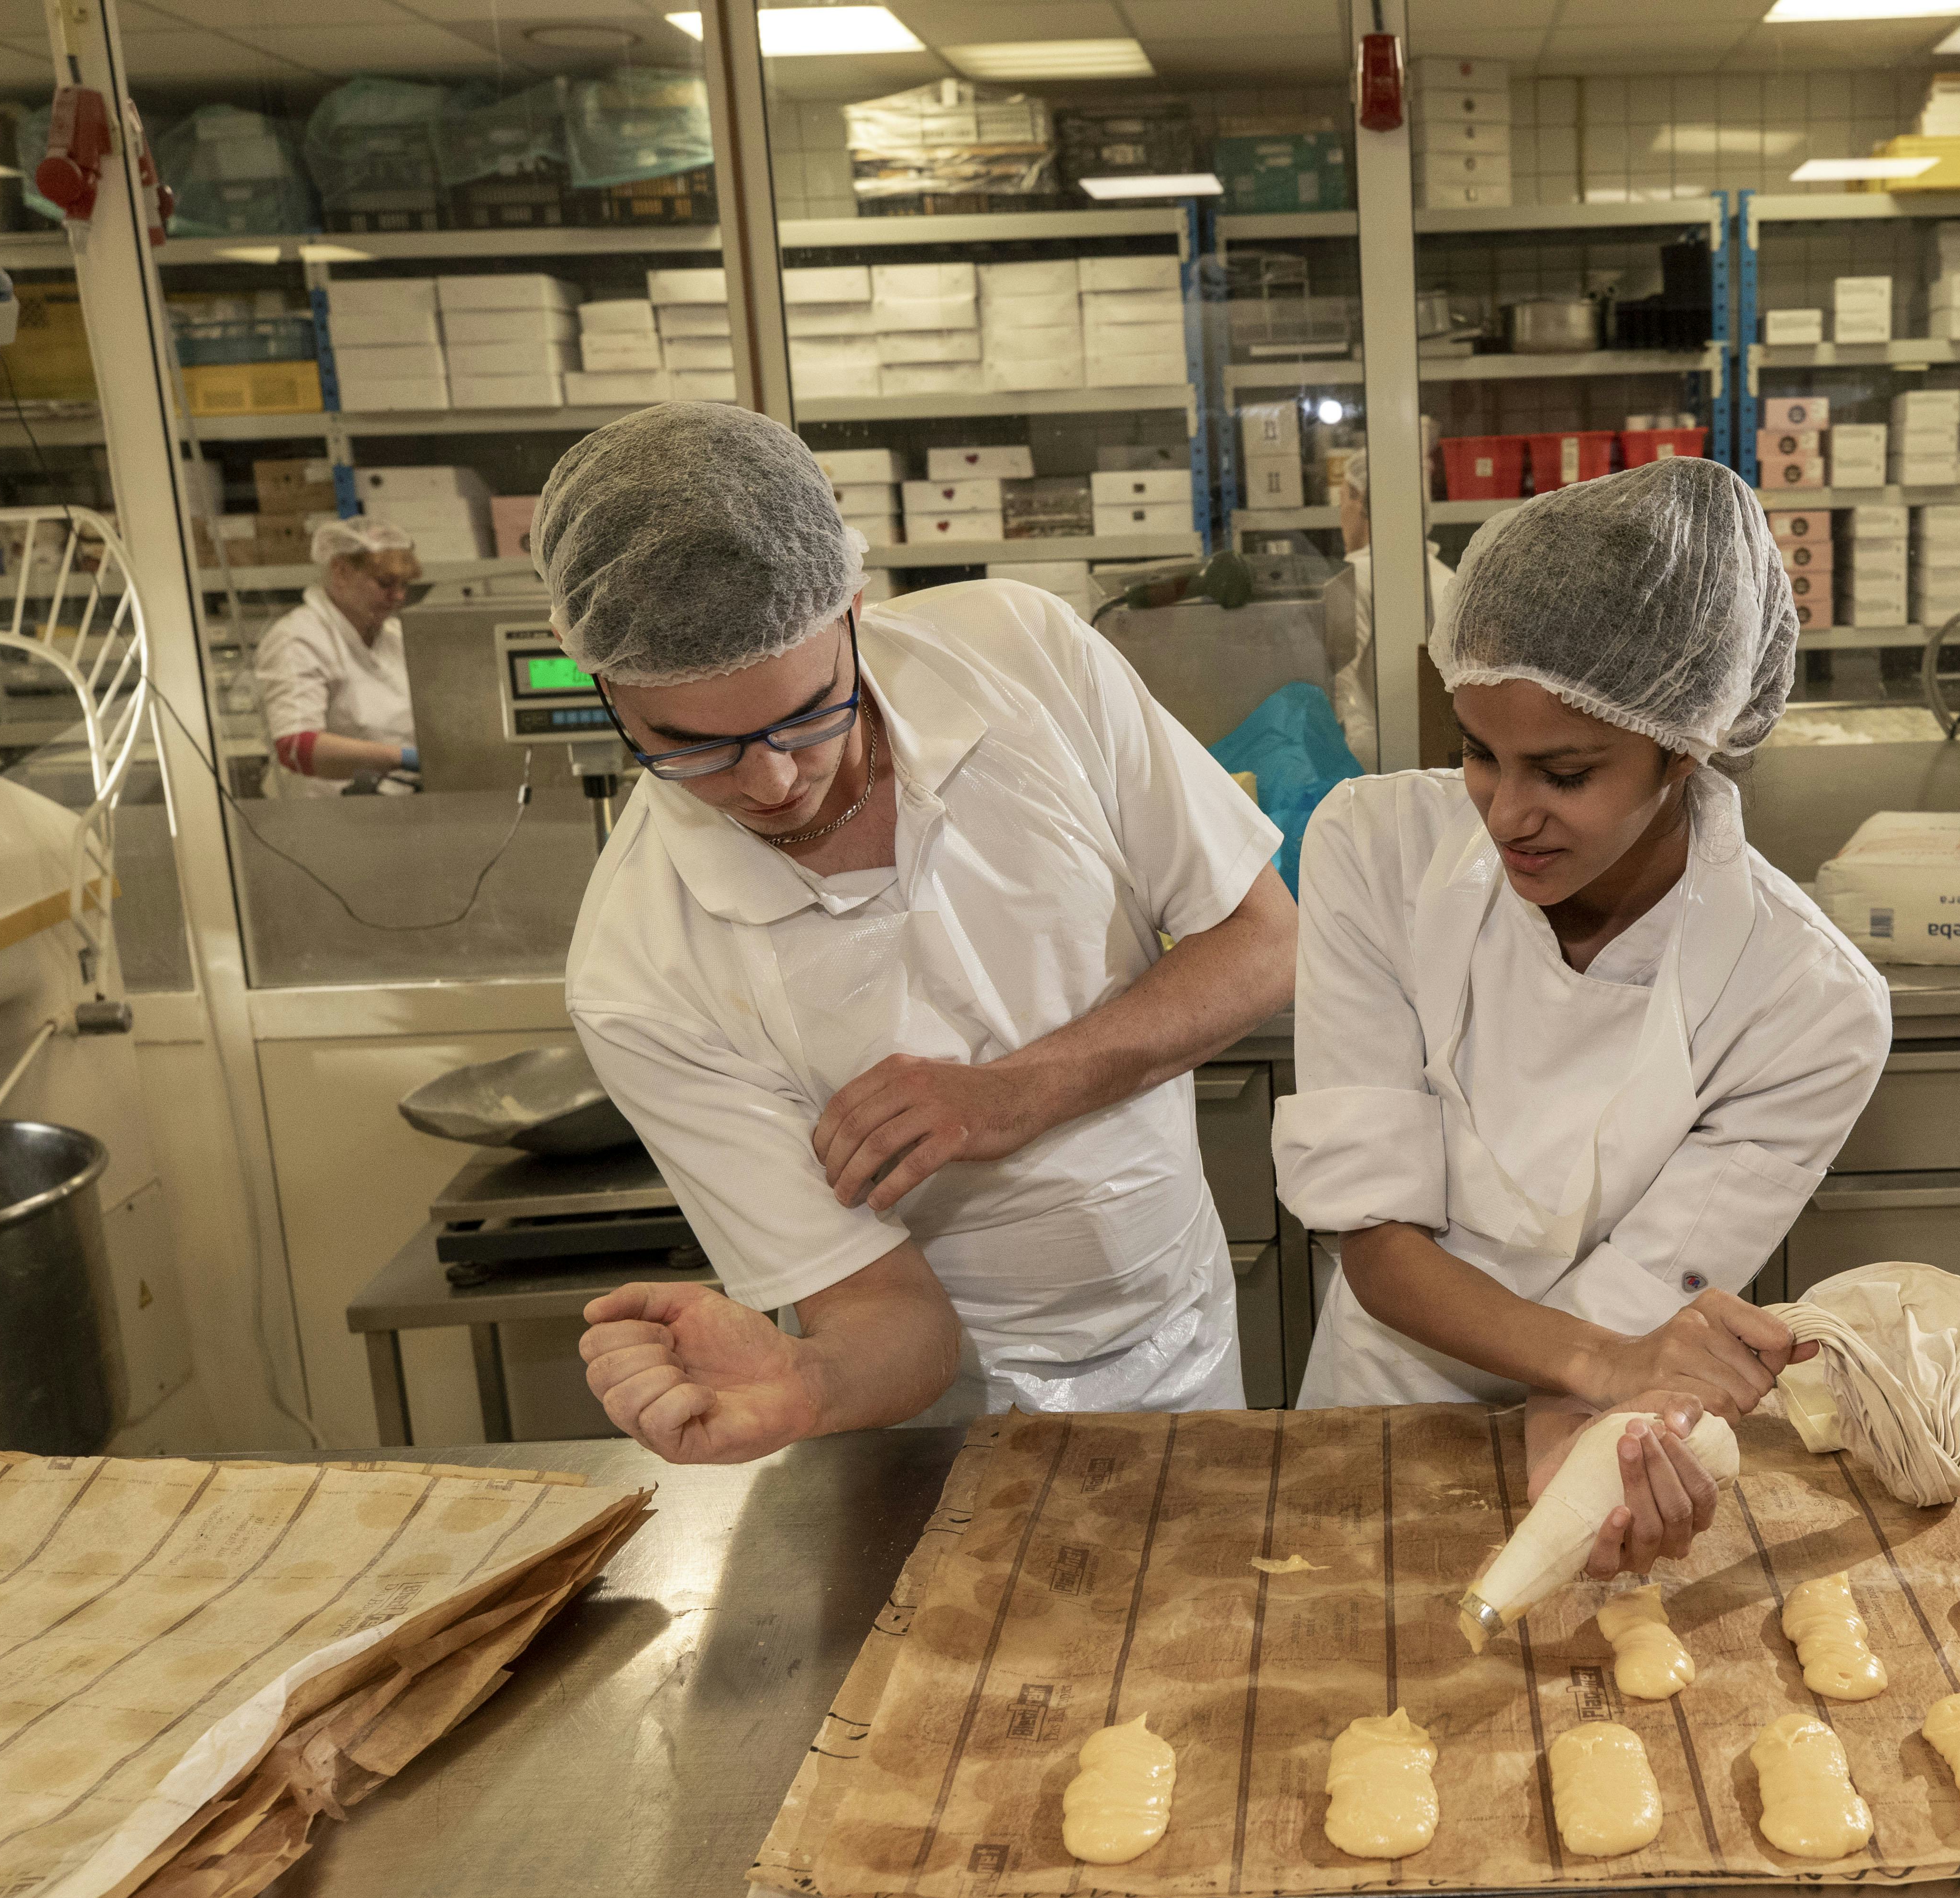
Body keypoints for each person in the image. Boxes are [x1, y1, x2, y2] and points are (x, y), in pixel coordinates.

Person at [548, 403, 1297, 1465]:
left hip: (1184, 1332)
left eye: (807, 713)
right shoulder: (639, 975)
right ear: (603, 685)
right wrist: (805, 1380)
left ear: (854, 603)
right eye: (691, 747)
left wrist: (1014, 1091)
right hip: (923, 1432)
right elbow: (897, 1328)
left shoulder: (1021, 656)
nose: (769, 780)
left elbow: (1266, 939)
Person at [1274, 455, 1892, 1572]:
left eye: (1565, 772)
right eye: (1477, 752)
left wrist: (1592, 1429)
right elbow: (1376, 1246)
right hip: (1366, 1423)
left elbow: (1642, 1316)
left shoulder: (1808, 1006)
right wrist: (1608, 1368)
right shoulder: (1374, 851)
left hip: (1581, 1440)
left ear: (1687, 742)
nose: (1509, 814)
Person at [256, 516, 422, 795]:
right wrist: (402, 759)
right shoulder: (298, 640)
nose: (399, 596)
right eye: (386, 583)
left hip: (396, 804)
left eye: (404, 585)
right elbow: (296, 747)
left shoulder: (395, 636)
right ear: (341, 571)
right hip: (325, 814)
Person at [1327, 455, 1456, 767]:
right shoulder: (1448, 577)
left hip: (1380, 763)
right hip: (1448, 757)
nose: (1341, 515)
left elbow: (1335, 687)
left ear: (1360, 502)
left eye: (1343, 500)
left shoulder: (1357, 576)